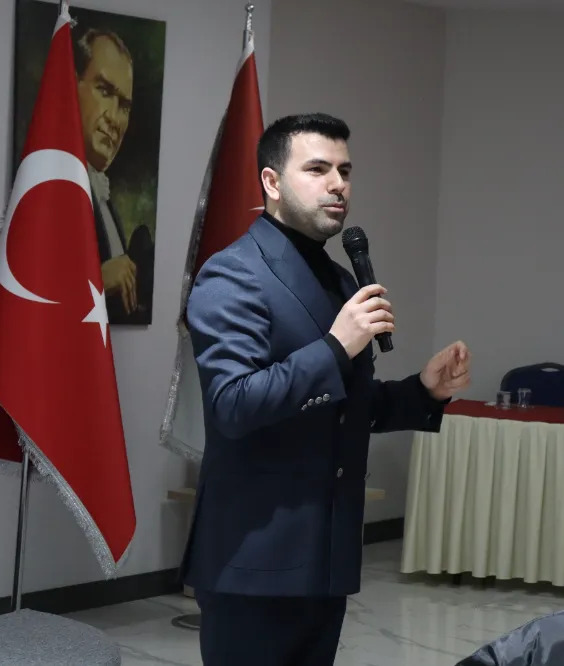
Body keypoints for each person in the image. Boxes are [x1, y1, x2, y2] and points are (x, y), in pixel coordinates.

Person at [178, 113, 472, 666]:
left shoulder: (340, 280)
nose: (338, 184)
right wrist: (336, 347)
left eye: (345, 170)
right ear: (271, 182)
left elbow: (344, 406)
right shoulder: (233, 274)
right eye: (317, 169)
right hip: (254, 558)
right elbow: (232, 405)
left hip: (325, 556)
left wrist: (422, 391)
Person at [74, 27, 154, 323]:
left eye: (124, 107)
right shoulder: (50, 190)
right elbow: (33, 300)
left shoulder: (105, 201)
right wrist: (99, 279)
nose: (115, 119)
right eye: (105, 92)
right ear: (73, 86)